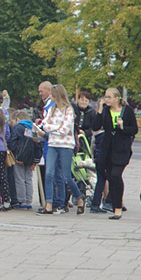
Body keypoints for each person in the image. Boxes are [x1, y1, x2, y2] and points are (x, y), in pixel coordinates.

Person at [37, 84, 85, 215]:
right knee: (49, 174)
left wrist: (53, 128)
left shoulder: (69, 110)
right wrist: (56, 127)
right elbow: (44, 125)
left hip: (66, 145)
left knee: (66, 177)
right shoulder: (51, 109)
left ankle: (79, 198)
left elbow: (65, 130)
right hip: (53, 144)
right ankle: (48, 204)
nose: (50, 97)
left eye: (52, 95)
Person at [92, 87, 138, 220]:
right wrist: (99, 111)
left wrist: (123, 127)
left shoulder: (127, 111)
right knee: (111, 177)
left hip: (121, 148)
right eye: (105, 97)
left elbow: (134, 129)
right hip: (107, 148)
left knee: (116, 175)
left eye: (108, 97)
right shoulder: (106, 110)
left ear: (116, 98)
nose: (106, 99)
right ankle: (115, 206)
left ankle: (118, 206)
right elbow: (95, 127)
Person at [9, 110, 42, 210]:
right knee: (28, 179)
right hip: (31, 158)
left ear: (17, 119)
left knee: (19, 179)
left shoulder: (18, 127)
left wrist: (16, 156)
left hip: (19, 158)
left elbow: (13, 143)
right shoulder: (33, 128)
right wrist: (35, 160)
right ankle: (29, 201)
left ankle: (21, 201)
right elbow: (37, 144)